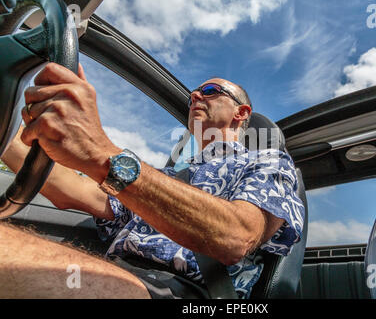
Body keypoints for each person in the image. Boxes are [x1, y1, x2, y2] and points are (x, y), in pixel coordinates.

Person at [0, 62, 305, 299]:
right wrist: (5, 133)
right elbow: (71, 191)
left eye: (210, 91)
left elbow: (236, 237)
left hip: (183, 291)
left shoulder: (269, 163)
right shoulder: (165, 178)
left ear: (242, 112)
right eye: (192, 96)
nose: (196, 96)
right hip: (115, 273)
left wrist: (101, 153)